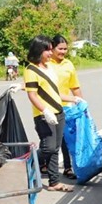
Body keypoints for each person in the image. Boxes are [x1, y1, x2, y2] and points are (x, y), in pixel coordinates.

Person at [23, 35, 72, 192]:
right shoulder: (31, 70)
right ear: (39, 50)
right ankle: (29, 163)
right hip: (44, 115)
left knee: (55, 149)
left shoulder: (49, 67)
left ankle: (54, 182)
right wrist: (45, 111)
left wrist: (74, 99)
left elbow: (54, 92)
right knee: (48, 148)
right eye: (48, 50)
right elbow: (32, 95)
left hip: (59, 112)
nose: (51, 53)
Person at [50, 34, 83, 178]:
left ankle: (68, 167)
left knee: (66, 138)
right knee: (50, 140)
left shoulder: (68, 64)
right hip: (47, 107)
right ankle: (42, 163)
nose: (63, 52)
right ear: (52, 47)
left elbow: (74, 86)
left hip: (65, 106)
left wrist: (82, 103)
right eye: (60, 48)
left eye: (65, 49)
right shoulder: (46, 63)